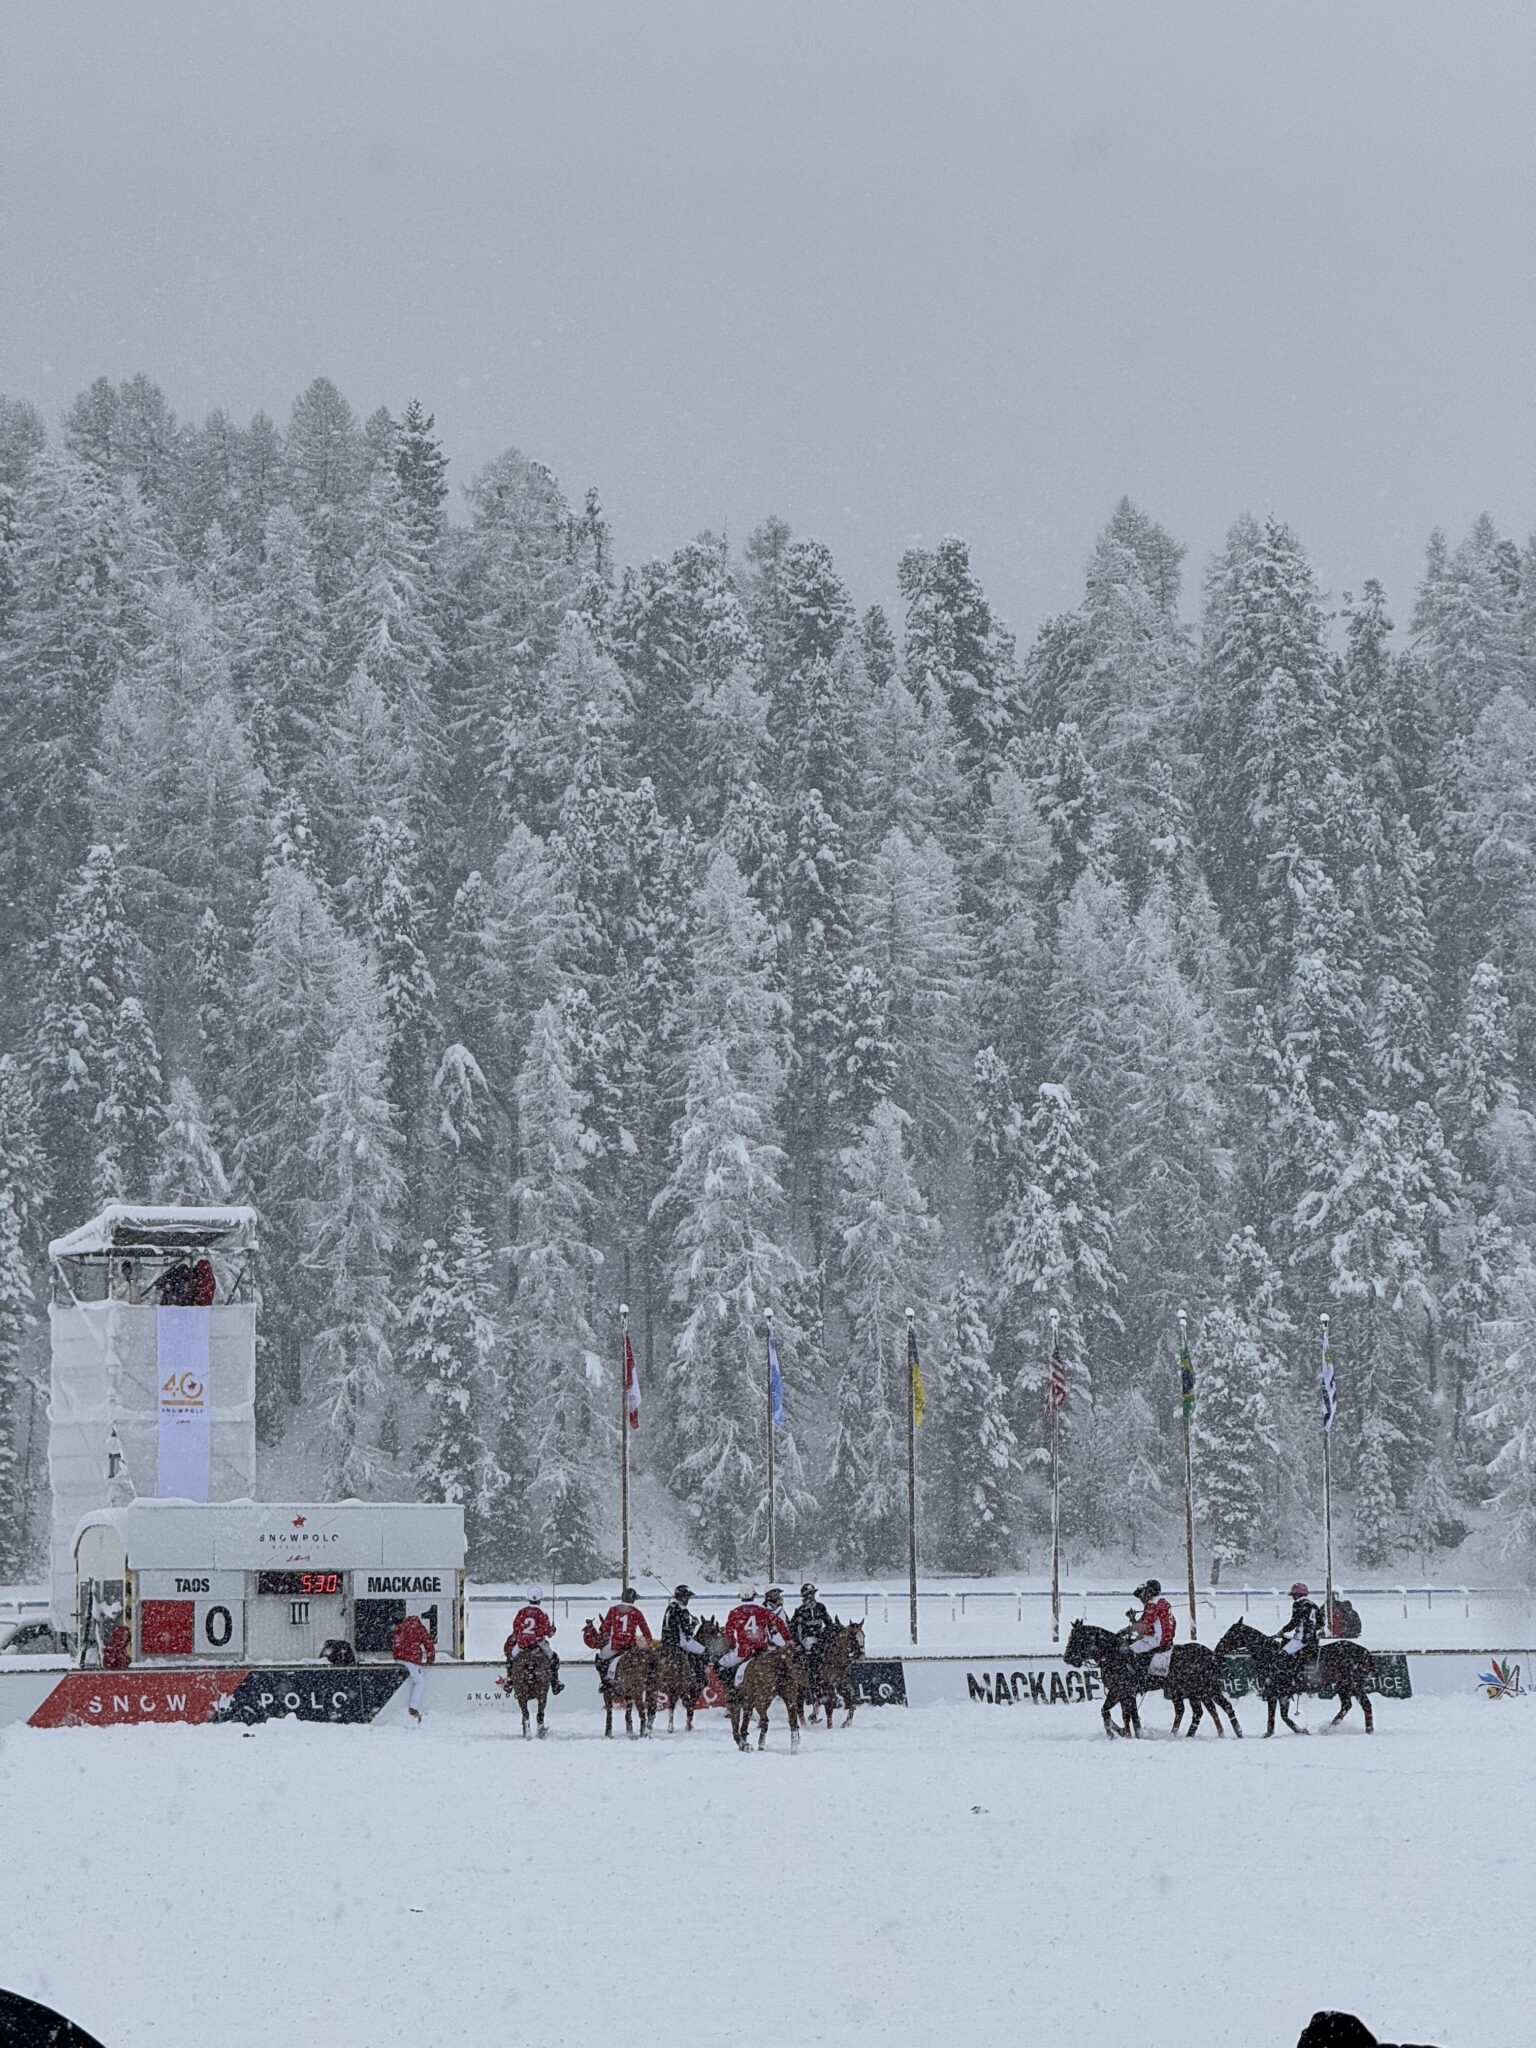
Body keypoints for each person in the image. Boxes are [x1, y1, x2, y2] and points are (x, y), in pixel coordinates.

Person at [719, 1587, 791, 1691]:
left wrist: (732, 1644)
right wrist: (787, 1639)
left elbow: (728, 1632)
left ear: (741, 1597)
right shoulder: (762, 1611)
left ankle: (732, 1693)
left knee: (720, 1665)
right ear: (753, 1596)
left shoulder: (735, 1612)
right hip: (762, 1650)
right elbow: (779, 1623)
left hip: (744, 1651)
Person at [505, 1590, 563, 1693]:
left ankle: (509, 1681)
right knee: (554, 1658)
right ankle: (555, 1683)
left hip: (522, 1645)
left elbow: (516, 1627)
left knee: (511, 1659)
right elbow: (546, 1630)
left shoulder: (522, 1612)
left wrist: (521, 1637)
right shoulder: (542, 1613)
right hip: (537, 1644)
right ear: (540, 1599)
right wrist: (551, 1631)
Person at [595, 1586, 652, 1689]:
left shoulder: (613, 1610)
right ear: (633, 1599)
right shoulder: (637, 1612)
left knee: (601, 1658)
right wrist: (649, 1642)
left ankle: (605, 1682)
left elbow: (605, 1629)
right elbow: (645, 1630)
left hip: (616, 1646)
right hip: (631, 1645)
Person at [660, 1583, 709, 1697]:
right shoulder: (683, 1611)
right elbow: (688, 1633)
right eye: (687, 1597)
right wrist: (694, 1624)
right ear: (681, 1597)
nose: (688, 1600)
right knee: (703, 1652)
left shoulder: (670, 1607)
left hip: (666, 1642)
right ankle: (699, 1679)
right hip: (679, 1642)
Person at [1123, 1578, 1176, 1681]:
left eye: (1146, 1591)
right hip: (1166, 1639)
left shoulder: (1153, 1603)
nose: (1144, 1594)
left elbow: (1144, 1626)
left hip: (1157, 1639)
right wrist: (1133, 1620)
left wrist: (1127, 1630)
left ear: (1151, 1591)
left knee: (1129, 1650)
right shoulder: (1162, 1602)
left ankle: (1137, 1678)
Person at [391, 1610, 436, 1722]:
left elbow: (395, 1642)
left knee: (405, 1681)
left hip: (399, 1658)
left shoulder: (400, 1627)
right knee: (419, 1682)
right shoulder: (418, 1628)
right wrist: (430, 1659)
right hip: (412, 1659)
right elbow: (428, 1643)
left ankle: (399, 1706)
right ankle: (413, 1708)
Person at [791, 1580, 835, 1691]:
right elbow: (793, 1629)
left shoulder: (821, 1607)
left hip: (820, 1639)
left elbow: (829, 1623)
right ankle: (812, 1685)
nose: (811, 1597)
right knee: (810, 1661)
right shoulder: (800, 1611)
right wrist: (798, 1644)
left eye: (813, 1593)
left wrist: (827, 1634)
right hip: (806, 1641)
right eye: (808, 1594)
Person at [1278, 1583, 1324, 1664]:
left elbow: (1294, 1622)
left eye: (1293, 1595)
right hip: (1313, 1641)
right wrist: (1311, 1633)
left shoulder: (1298, 1603)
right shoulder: (1314, 1605)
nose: (1292, 1597)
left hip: (1300, 1639)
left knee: (1281, 1655)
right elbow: (1321, 1623)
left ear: (1297, 1595)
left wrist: (1283, 1631)